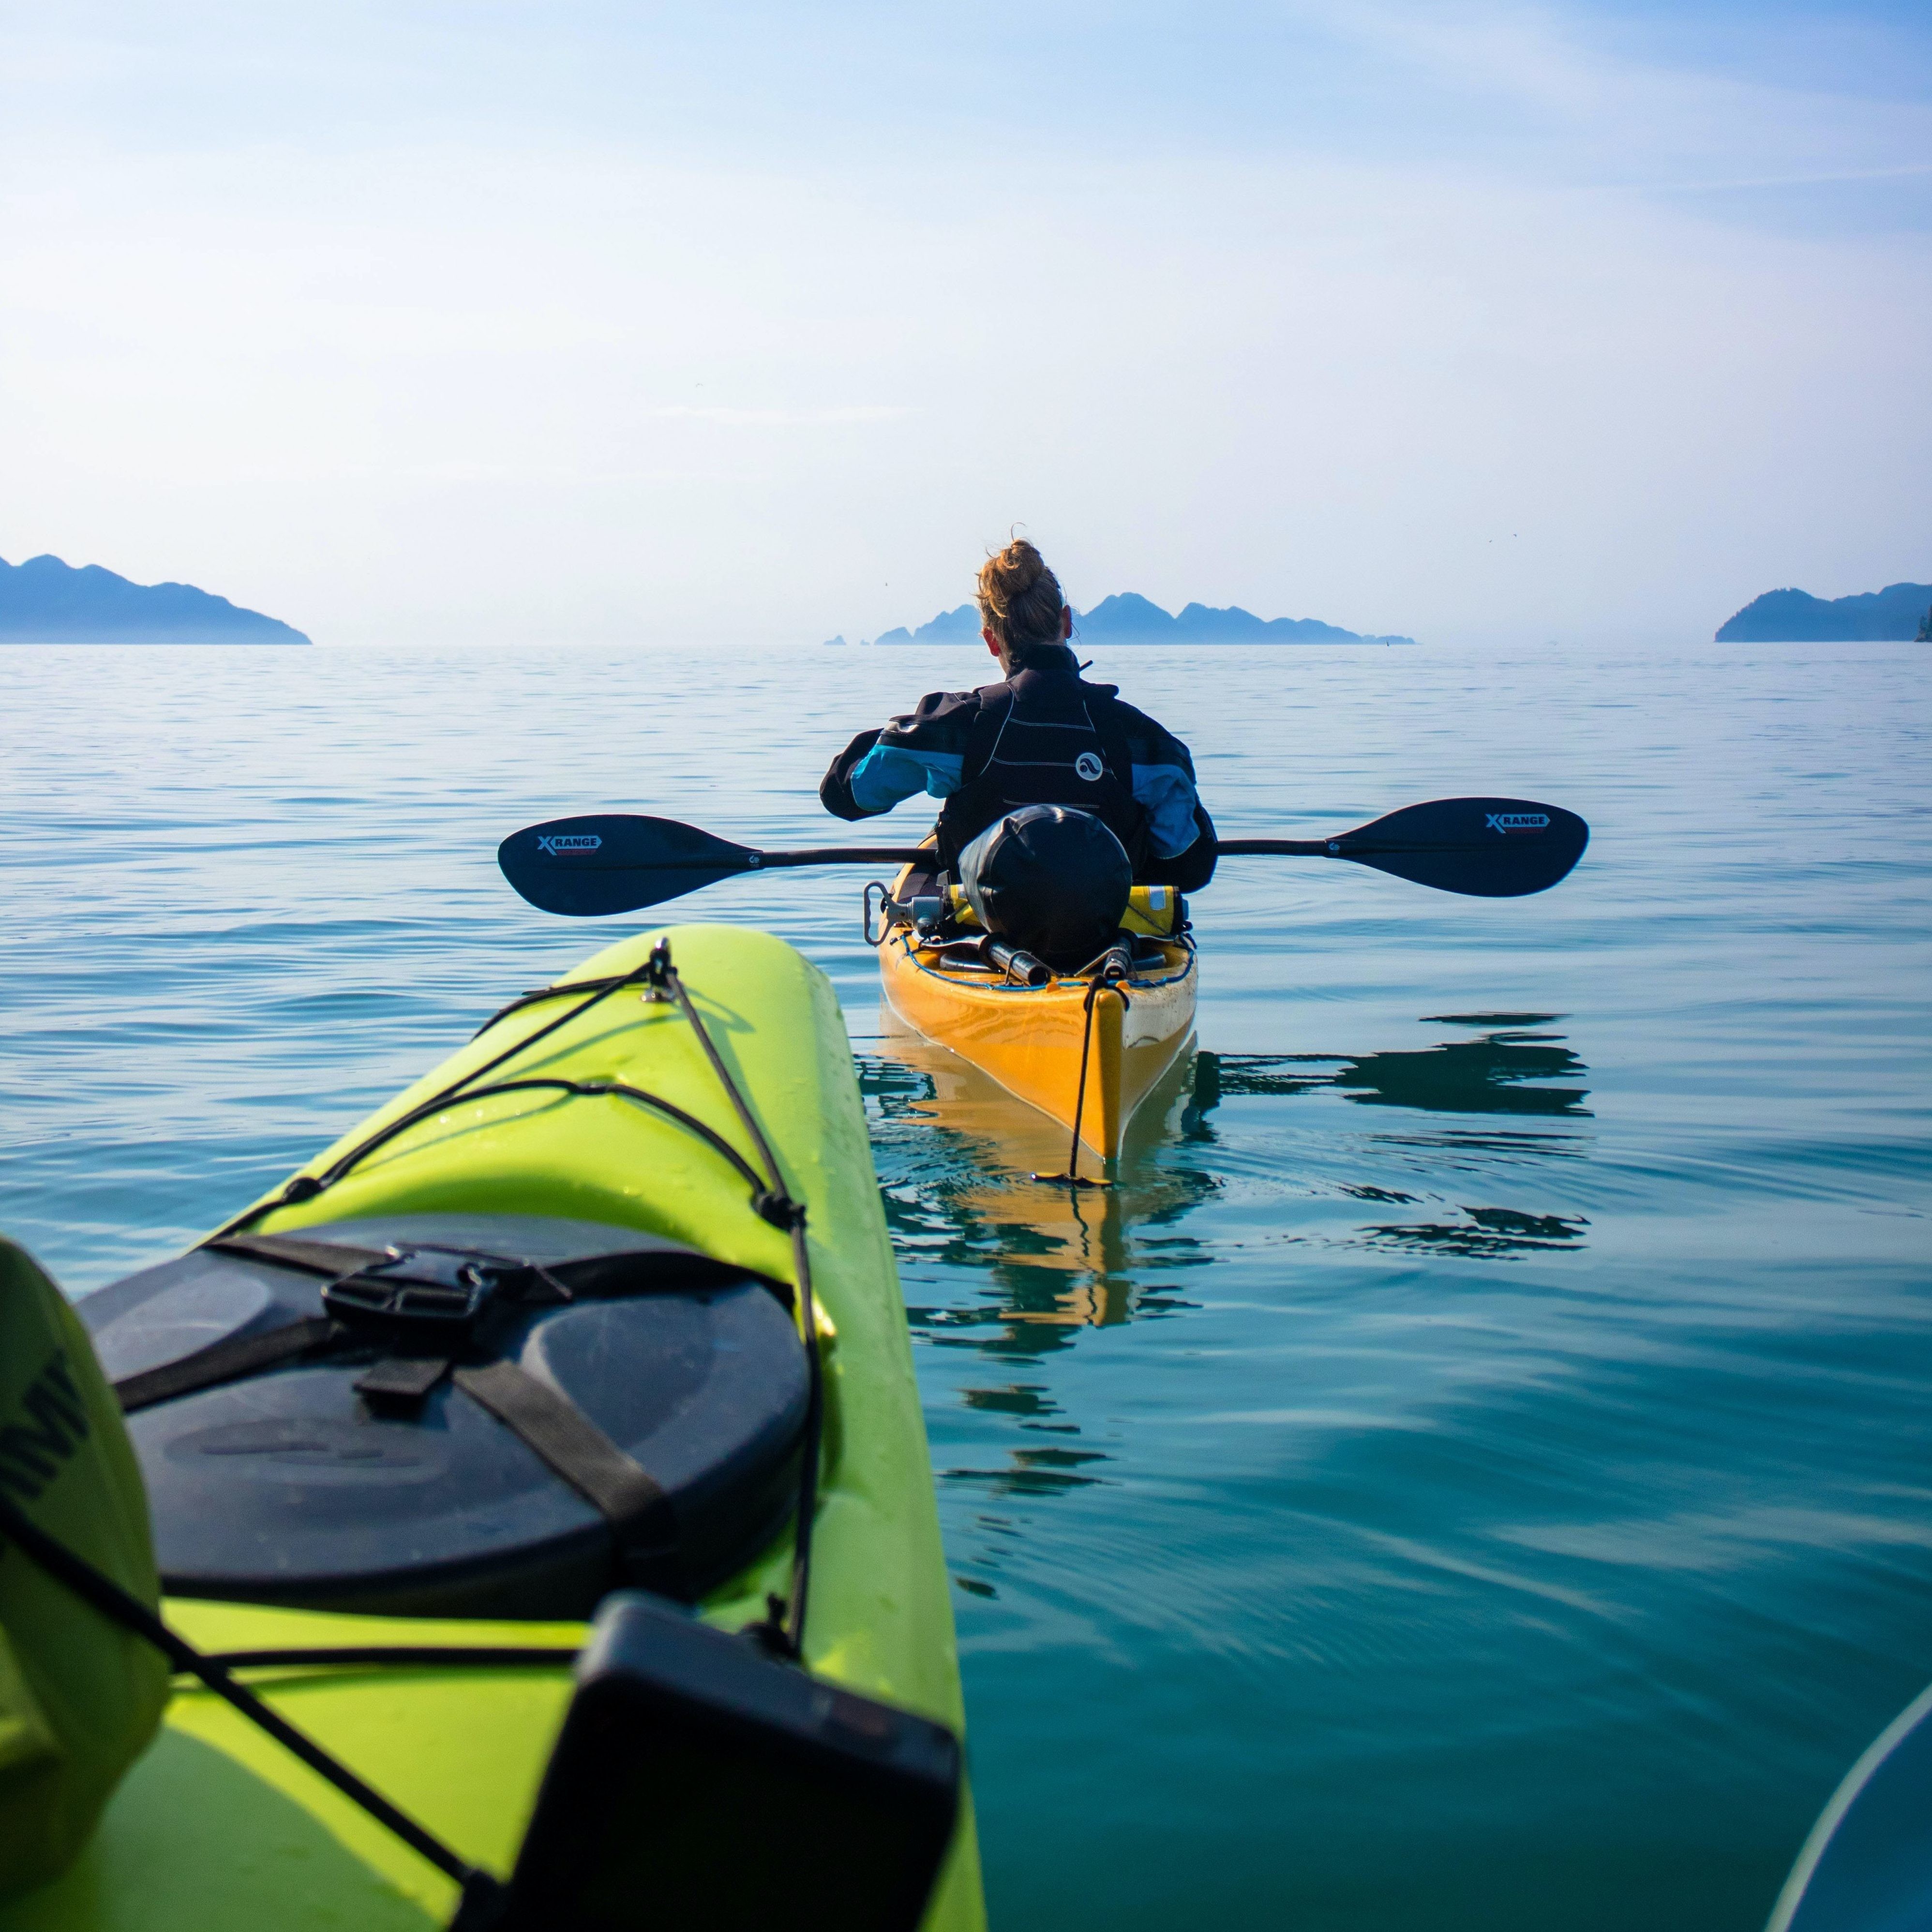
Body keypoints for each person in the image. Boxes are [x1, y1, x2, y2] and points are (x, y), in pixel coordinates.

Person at [820, 540, 1215, 888]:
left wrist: (900, 734)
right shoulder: (1145, 741)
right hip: (1109, 940)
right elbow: (1188, 867)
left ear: (992, 641)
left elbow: (844, 795)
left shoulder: (957, 727)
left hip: (984, 936)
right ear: (1065, 622)